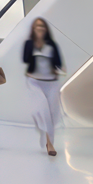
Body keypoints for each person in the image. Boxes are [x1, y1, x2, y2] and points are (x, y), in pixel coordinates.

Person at [23, 17, 65, 156]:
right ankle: (50, 143)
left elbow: (58, 63)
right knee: (42, 110)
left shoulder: (52, 44)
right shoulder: (29, 43)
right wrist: (36, 44)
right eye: (37, 26)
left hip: (51, 83)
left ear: (45, 29)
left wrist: (60, 68)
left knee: (52, 114)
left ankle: (48, 140)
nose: (40, 28)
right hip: (35, 82)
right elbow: (25, 59)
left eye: (42, 26)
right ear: (33, 29)